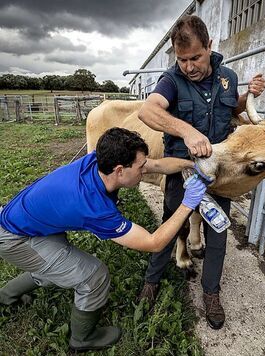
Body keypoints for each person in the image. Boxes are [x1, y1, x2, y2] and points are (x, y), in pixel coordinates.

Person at [0, 127, 207, 352]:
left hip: (25, 221)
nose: (145, 170)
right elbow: (153, 242)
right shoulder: (94, 208)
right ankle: (82, 338)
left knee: (53, 267)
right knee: (93, 275)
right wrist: (188, 203)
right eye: (140, 168)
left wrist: (192, 166)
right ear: (119, 171)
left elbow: (155, 165)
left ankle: (5, 297)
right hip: (16, 239)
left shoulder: (98, 160)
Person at [138, 15, 265, 330]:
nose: (189, 66)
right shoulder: (171, 80)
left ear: (210, 46)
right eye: (182, 59)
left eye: (195, 57)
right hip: (182, 170)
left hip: (219, 173)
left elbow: (230, 109)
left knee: (218, 232)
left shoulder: (228, 76)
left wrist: (247, 95)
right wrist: (186, 132)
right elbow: (148, 110)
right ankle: (152, 280)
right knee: (171, 225)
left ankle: (211, 293)